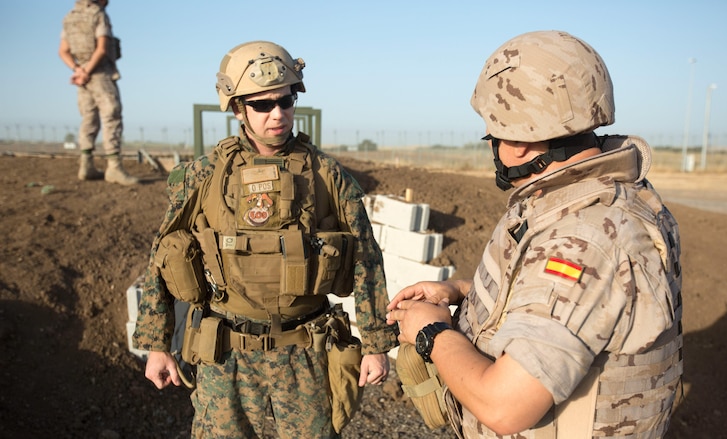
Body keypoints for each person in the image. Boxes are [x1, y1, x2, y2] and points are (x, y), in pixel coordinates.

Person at [387, 30, 683, 438]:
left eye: (494, 135)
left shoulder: (587, 236)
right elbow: (565, 302)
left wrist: (431, 331)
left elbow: (506, 406)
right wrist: (459, 291)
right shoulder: (587, 201)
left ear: (521, 144)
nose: (493, 146)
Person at [132, 40, 397, 438]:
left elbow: (366, 260)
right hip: (224, 353)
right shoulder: (204, 175)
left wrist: (376, 344)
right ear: (237, 107)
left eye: (286, 101)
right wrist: (156, 344)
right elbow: (163, 254)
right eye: (262, 104)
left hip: (305, 351)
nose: (278, 114)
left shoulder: (326, 174)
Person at [58, 0, 137, 185]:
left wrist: (78, 70)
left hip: (82, 77)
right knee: (112, 116)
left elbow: (63, 51)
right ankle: (114, 168)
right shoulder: (98, 14)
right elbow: (102, 48)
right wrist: (87, 71)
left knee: (88, 118)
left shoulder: (68, 18)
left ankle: (86, 165)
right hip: (100, 73)